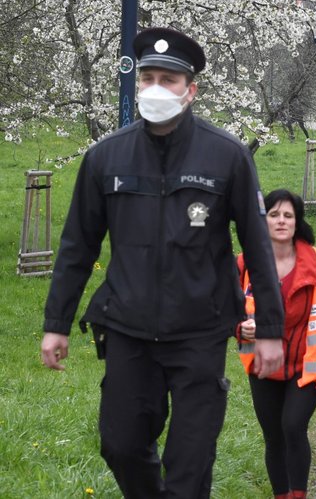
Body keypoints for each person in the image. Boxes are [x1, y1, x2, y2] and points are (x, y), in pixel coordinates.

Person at [40, 27, 285, 497]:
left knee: (190, 464)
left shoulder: (227, 155)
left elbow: (257, 247)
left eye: (168, 80)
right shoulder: (105, 157)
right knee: (121, 445)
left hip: (200, 331)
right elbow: (77, 246)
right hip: (129, 329)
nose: (156, 88)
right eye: (148, 77)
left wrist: (271, 331)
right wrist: (57, 323)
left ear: (190, 90)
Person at [237, 190, 316, 499]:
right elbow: (225, 308)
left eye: (288, 215)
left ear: (297, 222)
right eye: (274, 215)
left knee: (292, 426)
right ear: (263, 220)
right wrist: (238, 328)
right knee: (273, 437)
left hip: (305, 367)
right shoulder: (245, 263)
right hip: (262, 365)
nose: (281, 221)